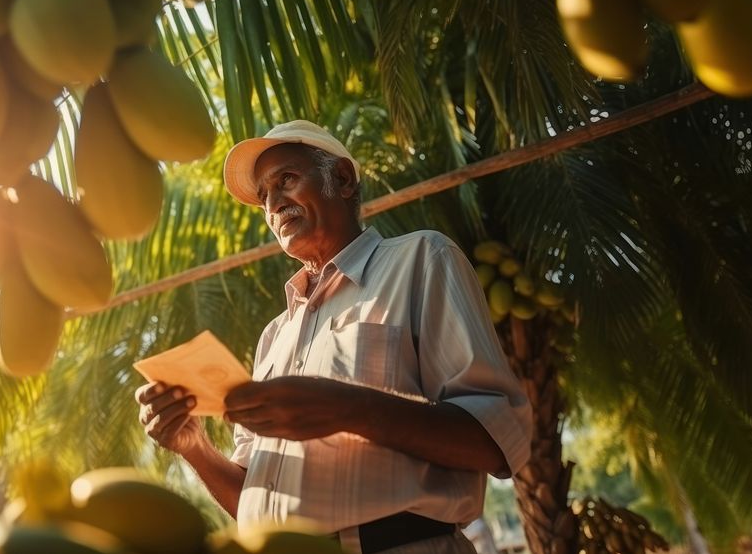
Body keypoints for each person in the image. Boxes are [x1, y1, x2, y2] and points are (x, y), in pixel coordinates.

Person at [135, 120, 532, 554]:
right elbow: (254, 501)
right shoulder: (273, 337)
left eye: (286, 180)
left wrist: (346, 408)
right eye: (264, 197)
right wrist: (193, 446)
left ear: (341, 179)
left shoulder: (421, 260)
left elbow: (498, 439)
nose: (273, 204)